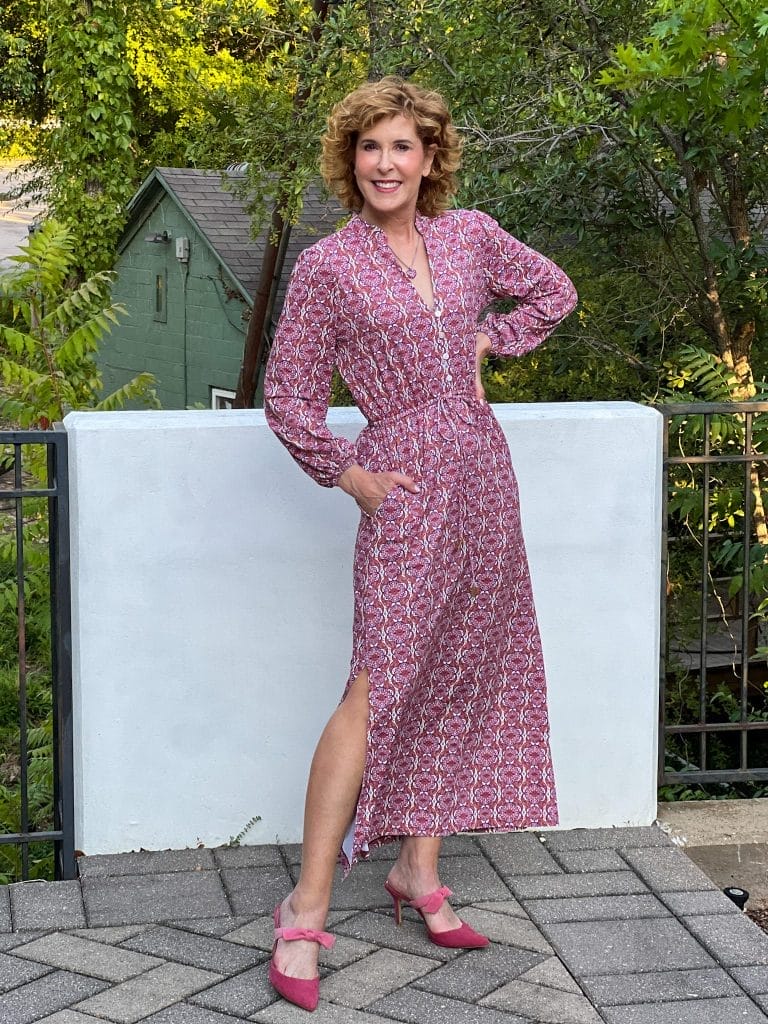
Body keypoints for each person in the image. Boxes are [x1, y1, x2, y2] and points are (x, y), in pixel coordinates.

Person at [263, 76, 577, 1012]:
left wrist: (490, 340)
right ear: (350, 161)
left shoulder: (470, 235)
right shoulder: (328, 268)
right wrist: (349, 474)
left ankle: (416, 873)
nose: (386, 164)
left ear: (431, 156)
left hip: (483, 475)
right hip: (402, 483)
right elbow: (287, 395)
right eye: (370, 148)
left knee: (458, 668)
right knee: (377, 683)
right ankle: (304, 911)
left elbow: (555, 291)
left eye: (404, 146)